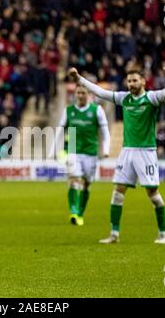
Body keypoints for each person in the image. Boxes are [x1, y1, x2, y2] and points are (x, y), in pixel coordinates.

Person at [68, 64, 165, 244]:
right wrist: (79, 79)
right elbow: (100, 92)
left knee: (153, 194)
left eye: (135, 80)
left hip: (146, 152)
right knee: (118, 191)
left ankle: (163, 234)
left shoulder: (152, 97)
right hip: (127, 151)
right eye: (129, 80)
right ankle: (114, 234)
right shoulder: (124, 98)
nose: (131, 83)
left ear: (143, 81)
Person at [52, 85, 110, 226]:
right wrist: (54, 149)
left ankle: (80, 214)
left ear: (89, 94)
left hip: (91, 152)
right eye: (78, 93)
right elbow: (60, 130)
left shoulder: (97, 110)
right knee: (73, 180)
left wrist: (106, 149)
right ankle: (73, 212)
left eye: (83, 93)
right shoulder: (69, 110)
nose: (80, 95)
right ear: (75, 94)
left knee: (86, 184)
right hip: (73, 151)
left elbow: (105, 132)